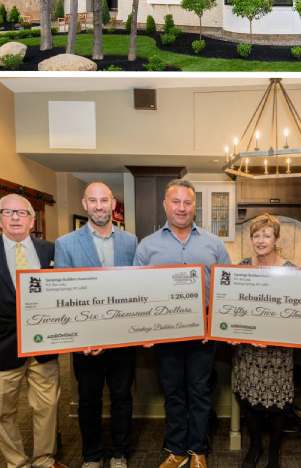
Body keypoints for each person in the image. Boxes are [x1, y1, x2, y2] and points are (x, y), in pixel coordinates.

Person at [0, 194, 68, 468]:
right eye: (8, 212)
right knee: (2, 413)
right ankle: (17, 463)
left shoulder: (51, 251)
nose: (15, 217)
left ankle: (44, 459)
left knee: (47, 408)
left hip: (43, 347)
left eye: (22, 213)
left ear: (32, 221)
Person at [134, 179, 230, 468]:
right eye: (175, 202)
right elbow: (137, 292)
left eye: (187, 202)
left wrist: (214, 322)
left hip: (203, 335)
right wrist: (145, 330)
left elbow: (226, 287)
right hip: (166, 336)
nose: (182, 208)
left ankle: (198, 450)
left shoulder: (213, 243)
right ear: (165, 205)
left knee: (200, 393)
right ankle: (176, 450)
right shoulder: (147, 246)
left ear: (194, 207)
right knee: (174, 393)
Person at [54, 181, 139, 468]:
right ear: (84, 203)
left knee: (122, 397)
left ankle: (119, 452)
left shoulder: (130, 241)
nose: (99, 206)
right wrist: (83, 339)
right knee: (88, 400)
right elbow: (63, 294)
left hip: (122, 340)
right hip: (85, 343)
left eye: (104, 200)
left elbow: (136, 291)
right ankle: (91, 454)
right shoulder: (65, 244)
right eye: (94, 200)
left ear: (113, 204)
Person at [232, 213, 296, 468]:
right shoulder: (240, 268)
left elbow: (295, 311)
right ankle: (255, 446)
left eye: (266, 235)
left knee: (277, 406)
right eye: (256, 235)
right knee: (250, 402)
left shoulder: (291, 271)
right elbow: (232, 306)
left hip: (279, 352)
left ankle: (273, 453)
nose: (260, 240)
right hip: (248, 350)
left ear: (276, 238)